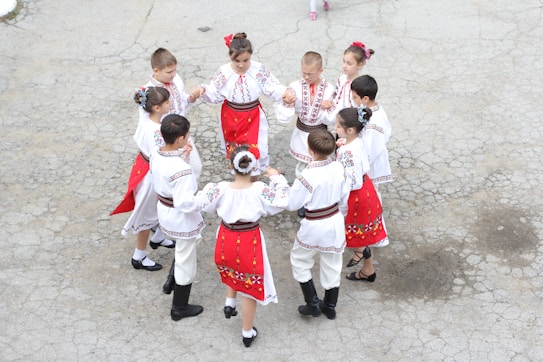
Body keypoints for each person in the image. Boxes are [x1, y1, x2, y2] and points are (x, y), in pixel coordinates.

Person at [198, 145, 289, 347]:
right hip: (249, 238)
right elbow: (283, 201)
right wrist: (276, 178)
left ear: (231, 165)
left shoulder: (220, 188)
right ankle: (247, 333)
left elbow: (203, 204)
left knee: (231, 267)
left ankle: (230, 303)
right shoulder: (259, 190)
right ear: (254, 167)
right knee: (249, 285)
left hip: (226, 236)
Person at [191, 32, 295, 181]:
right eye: (236, 60)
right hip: (231, 118)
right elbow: (214, 93)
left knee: (257, 151)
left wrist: (286, 94)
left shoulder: (258, 70)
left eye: (245, 60)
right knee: (236, 152)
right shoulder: (224, 71)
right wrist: (203, 90)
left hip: (253, 117)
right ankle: (240, 183)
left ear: (251, 56)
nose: (241, 64)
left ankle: (253, 183)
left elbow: (273, 88)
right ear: (230, 57)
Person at [284, 129, 350, 320]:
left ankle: (312, 303)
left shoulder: (307, 176)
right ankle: (330, 306)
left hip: (314, 224)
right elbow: (345, 198)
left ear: (311, 151)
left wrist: (279, 183)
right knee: (333, 262)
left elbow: (292, 204)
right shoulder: (339, 168)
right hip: (335, 219)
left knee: (300, 259)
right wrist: (341, 218)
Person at [110, 87, 176, 271]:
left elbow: (141, 102)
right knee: (147, 213)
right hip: (151, 175)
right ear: (156, 107)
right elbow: (162, 156)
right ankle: (139, 256)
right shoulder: (157, 132)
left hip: (143, 165)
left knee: (164, 206)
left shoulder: (145, 115)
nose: (170, 104)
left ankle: (158, 237)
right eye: (166, 102)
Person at [150, 114, 206, 321]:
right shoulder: (181, 169)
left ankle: (172, 280)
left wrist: (183, 156)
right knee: (185, 258)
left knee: (184, 250)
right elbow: (185, 202)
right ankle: (179, 307)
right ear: (181, 139)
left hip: (164, 210)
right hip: (179, 216)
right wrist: (207, 198)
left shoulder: (157, 153)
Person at [276, 51, 335, 216]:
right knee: (303, 169)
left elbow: (333, 119)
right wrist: (288, 103)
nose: (306, 77)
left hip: (321, 134)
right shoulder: (295, 87)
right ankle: (303, 200)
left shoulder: (330, 89)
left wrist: (329, 107)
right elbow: (283, 117)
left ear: (320, 70)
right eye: (304, 73)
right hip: (302, 134)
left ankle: (319, 199)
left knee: (321, 169)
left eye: (310, 74)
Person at [335, 107, 387, 282]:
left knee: (351, 233)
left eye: (337, 126)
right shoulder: (357, 139)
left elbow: (352, 181)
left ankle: (360, 252)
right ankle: (367, 268)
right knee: (364, 232)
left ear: (349, 130)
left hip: (355, 195)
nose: (335, 128)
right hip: (366, 188)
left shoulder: (346, 151)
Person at [142, 47, 202, 181]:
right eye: (169, 72)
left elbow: (181, 102)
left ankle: (188, 194)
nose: (174, 74)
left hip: (182, 132)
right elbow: (148, 122)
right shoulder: (149, 93)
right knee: (174, 174)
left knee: (195, 167)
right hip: (167, 140)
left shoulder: (175, 80)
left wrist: (192, 98)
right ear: (156, 70)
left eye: (175, 70)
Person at [350, 74, 392, 254]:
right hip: (369, 162)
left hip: (370, 166)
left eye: (355, 97)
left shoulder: (374, 122)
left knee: (371, 198)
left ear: (365, 98)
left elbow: (372, 149)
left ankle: (376, 235)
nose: (353, 101)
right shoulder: (376, 111)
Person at [322, 41, 374, 117]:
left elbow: (360, 106)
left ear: (360, 64)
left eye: (349, 63)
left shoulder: (360, 85)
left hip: (351, 120)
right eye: (344, 61)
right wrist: (330, 103)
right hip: (338, 117)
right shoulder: (342, 79)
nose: (344, 66)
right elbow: (336, 96)